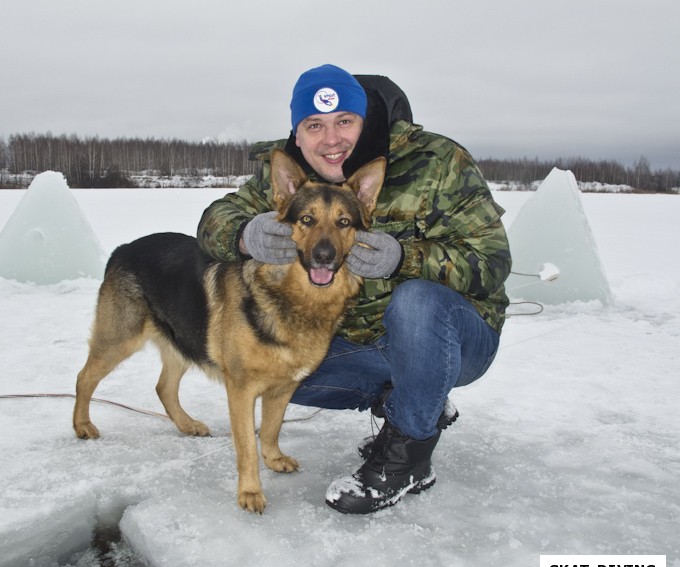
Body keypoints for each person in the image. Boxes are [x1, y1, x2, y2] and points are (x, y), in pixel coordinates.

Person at [197, 64, 511, 514]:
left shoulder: (437, 161)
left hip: (456, 337)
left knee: (415, 300)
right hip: (361, 345)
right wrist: (244, 235)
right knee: (278, 372)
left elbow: (493, 262)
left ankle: (407, 460)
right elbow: (213, 221)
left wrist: (406, 258)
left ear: (365, 120)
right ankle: (409, 400)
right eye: (315, 126)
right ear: (298, 133)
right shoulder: (287, 174)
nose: (331, 139)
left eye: (344, 121)